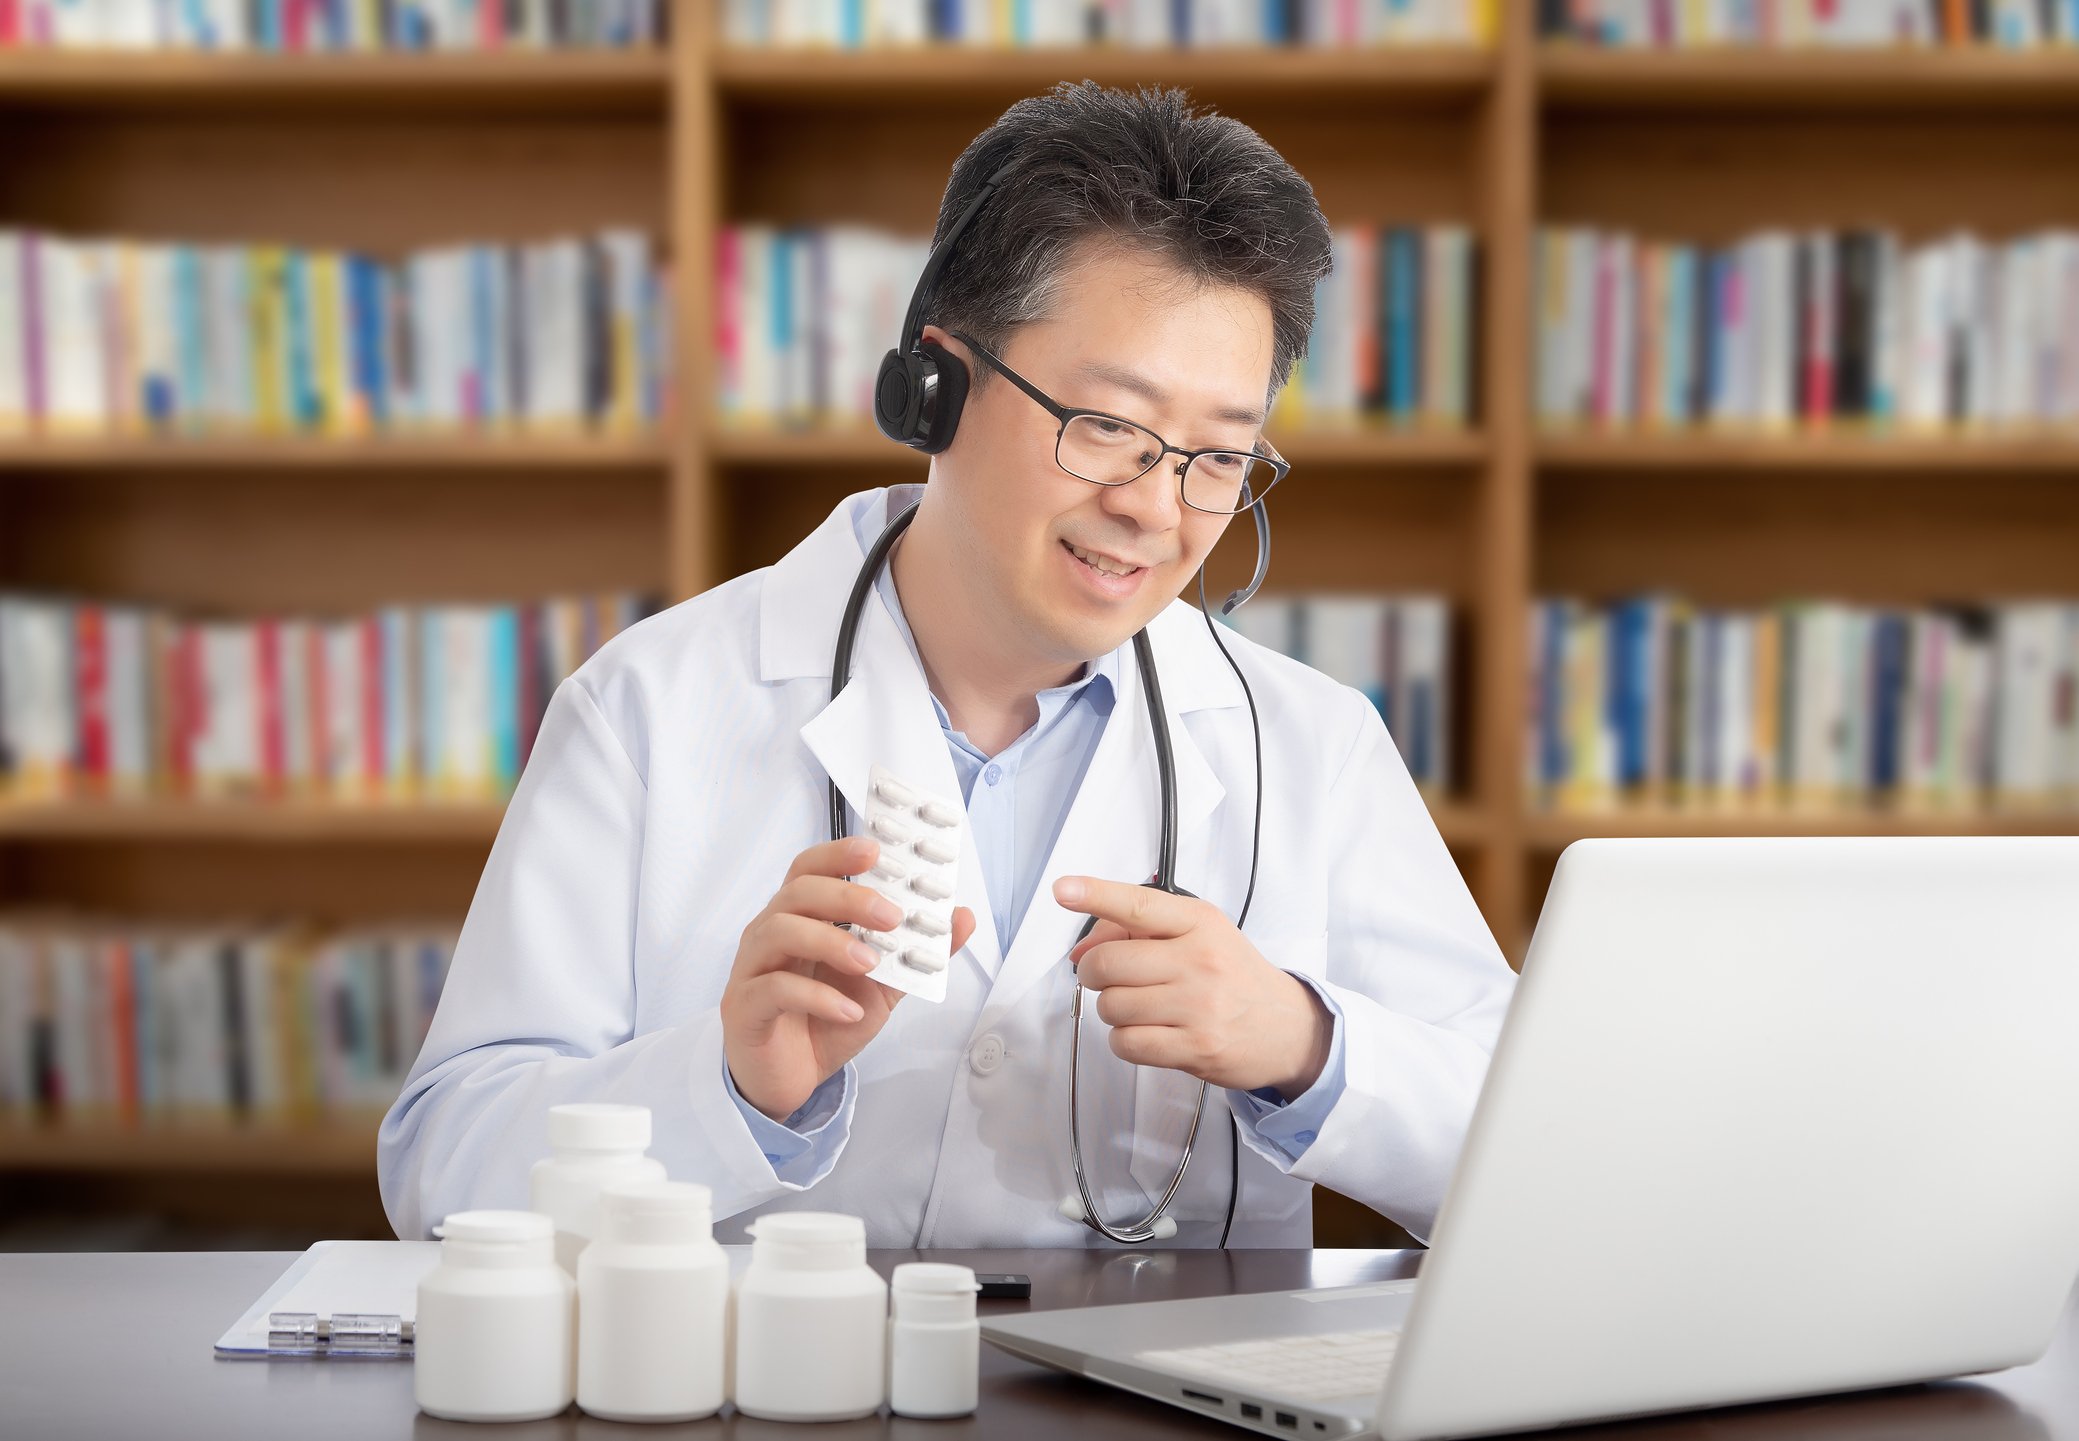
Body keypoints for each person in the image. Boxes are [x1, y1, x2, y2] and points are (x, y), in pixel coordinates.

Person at [379, 82, 1516, 1249]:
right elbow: (443, 1168)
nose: (1156, 508)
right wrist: (727, 1088)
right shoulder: (649, 707)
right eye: (1107, 426)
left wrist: (1306, 1046)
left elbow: (1540, 1155)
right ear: (937, 388)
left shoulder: (1311, 746)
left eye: (1217, 457)